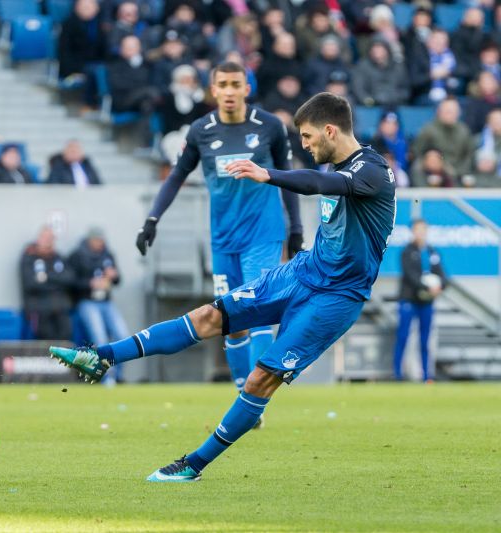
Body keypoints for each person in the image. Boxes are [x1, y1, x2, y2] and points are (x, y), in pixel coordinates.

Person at [50, 92, 396, 481]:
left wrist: (270, 175)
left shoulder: (374, 171)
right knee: (208, 316)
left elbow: (320, 183)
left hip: (337, 297)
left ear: (330, 130)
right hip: (302, 272)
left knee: (260, 378)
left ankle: (192, 465)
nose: (304, 144)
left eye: (307, 136)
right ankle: (102, 357)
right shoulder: (338, 165)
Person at [134, 61, 303, 394]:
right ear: (213, 90)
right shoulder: (200, 130)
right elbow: (177, 176)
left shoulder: (269, 126)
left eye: (234, 84)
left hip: (263, 234)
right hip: (224, 239)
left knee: (258, 310)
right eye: (222, 84)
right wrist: (152, 220)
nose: (228, 91)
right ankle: (244, 389)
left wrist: (295, 228)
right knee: (231, 322)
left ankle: (254, 395)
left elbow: (287, 177)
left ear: (246, 89)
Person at [68, 227, 128, 382]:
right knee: (100, 338)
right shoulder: (77, 256)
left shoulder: (107, 255)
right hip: (87, 302)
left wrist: (113, 277)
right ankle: (106, 376)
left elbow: (117, 279)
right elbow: (70, 282)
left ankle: (118, 376)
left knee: (122, 335)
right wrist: (90, 284)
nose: (99, 243)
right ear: (90, 240)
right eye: (96, 240)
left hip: (106, 302)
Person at [393, 219, 447, 382]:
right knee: (403, 336)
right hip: (408, 299)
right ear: (412, 232)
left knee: (425, 339)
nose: (420, 233)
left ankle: (426, 375)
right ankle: (397, 374)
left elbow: (443, 276)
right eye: (417, 230)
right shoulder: (407, 252)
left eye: (423, 230)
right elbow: (411, 276)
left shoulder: (432, 252)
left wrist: (440, 286)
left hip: (426, 302)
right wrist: (426, 286)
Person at [20, 227, 75, 341]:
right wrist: (57, 282)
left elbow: (70, 279)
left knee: (66, 337)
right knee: (46, 339)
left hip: (60, 307)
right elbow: (30, 284)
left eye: (51, 239)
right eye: (45, 238)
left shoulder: (58, 258)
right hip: (38, 307)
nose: (48, 242)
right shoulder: (29, 257)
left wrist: (47, 277)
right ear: (39, 239)